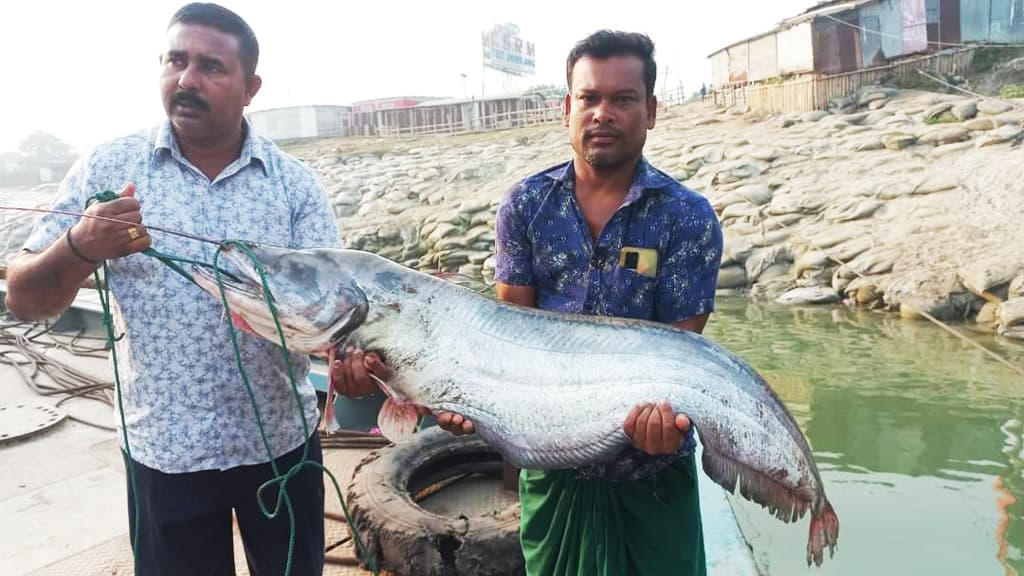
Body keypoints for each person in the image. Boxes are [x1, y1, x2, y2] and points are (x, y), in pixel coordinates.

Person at [335, 30, 723, 576]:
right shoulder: (527, 206)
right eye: (589, 98)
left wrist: (667, 422)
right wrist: (458, 398)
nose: (603, 113)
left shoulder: (686, 217)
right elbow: (503, 336)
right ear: (567, 109)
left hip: (651, 479)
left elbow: (683, 355)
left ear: (652, 110)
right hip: (552, 473)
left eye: (623, 99)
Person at [5, 4, 336, 575]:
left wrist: (355, 359)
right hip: (164, 449)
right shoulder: (107, 169)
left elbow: (334, 309)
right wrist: (79, 245)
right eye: (174, 60)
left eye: (211, 66)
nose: (186, 79)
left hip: (280, 446)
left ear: (250, 87)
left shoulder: (295, 187)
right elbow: (25, 300)